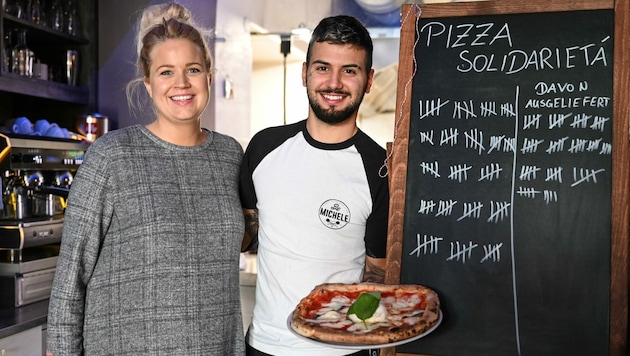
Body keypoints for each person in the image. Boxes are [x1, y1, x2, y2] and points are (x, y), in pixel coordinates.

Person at [46, 3, 245, 355]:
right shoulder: (111, 156)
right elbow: (70, 277)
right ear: (148, 82)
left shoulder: (230, 155)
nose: (181, 83)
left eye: (193, 69)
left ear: (209, 77)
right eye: (166, 72)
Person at [240, 15, 389, 356]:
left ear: (368, 81)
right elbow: (245, 237)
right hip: (265, 345)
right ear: (305, 72)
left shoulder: (379, 167)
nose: (334, 83)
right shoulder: (264, 148)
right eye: (323, 68)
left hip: (342, 350)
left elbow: (377, 272)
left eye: (350, 70)